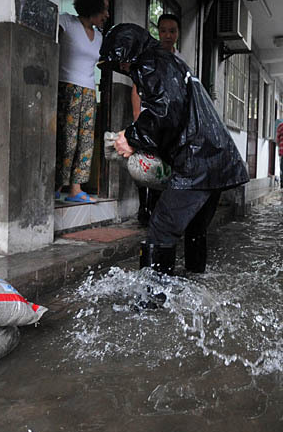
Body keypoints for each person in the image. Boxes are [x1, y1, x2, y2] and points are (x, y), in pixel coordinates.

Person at [102, 23, 249, 276]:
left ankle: (152, 302)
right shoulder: (167, 62)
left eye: (122, 61)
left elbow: (166, 111)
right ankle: (195, 284)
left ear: (131, 52)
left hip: (197, 162)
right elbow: (174, 114)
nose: (123, 67)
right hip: (214, 158)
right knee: (195, 229)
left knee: (160, 228)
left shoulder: (152, 64)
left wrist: (132, 137)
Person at [56, 0, 110, 204]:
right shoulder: (66, 21)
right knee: (65, 140)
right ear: (92, 6)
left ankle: (75, 189)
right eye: (104, 9)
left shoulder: (99, 37)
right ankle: (56, 185)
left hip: (88, 92)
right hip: (66, 88)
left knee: (85, 141)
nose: (107, 14)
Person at [131, 14, 182, 225]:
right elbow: (136, 87)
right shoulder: (148, 56)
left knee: (163, 167)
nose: (167, 35)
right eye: (163, 30)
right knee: (145, 164)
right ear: (157, 32)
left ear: (178, 33)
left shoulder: (180, 61)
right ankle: (144, 209)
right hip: (148, 117)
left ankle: (157, 211)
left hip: (169, 121)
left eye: (172, 31)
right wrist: (137, 117)